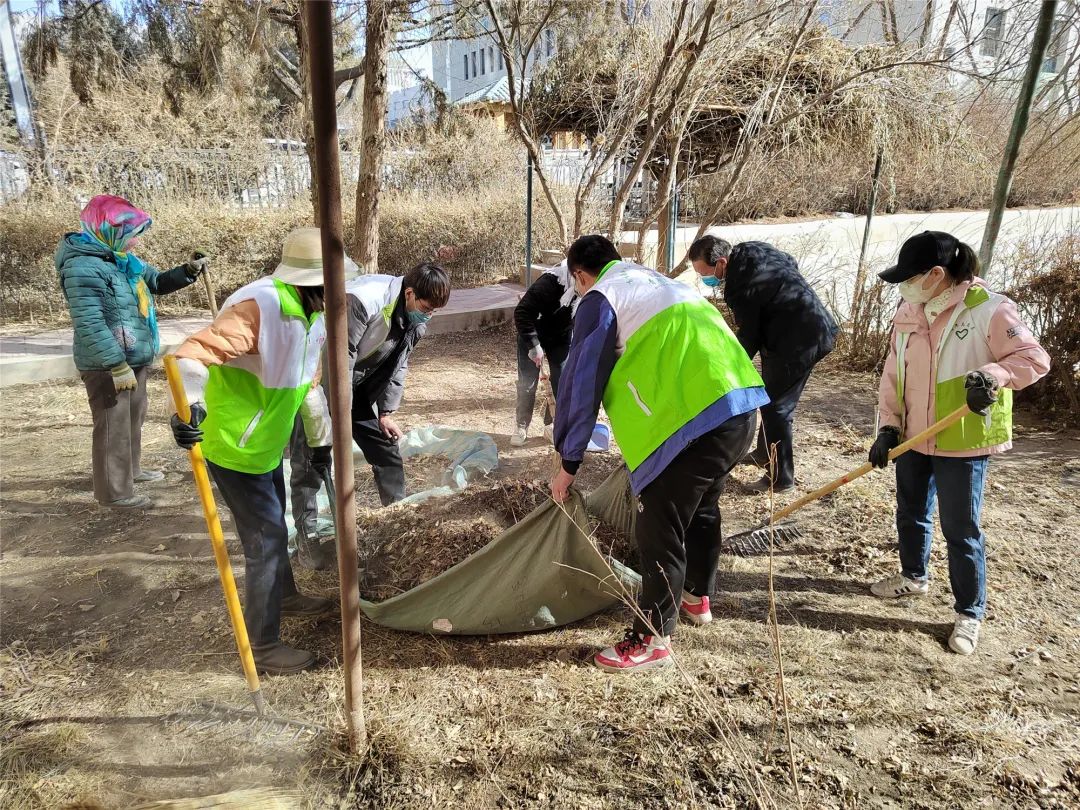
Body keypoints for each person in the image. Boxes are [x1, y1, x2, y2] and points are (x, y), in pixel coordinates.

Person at [551, 235, 769, 674]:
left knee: (658, 527)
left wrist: (568, 462)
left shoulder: (601, 298)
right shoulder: (655, 283)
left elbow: (581, 382)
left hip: (691, 422)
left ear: (580, 275)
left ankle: (651, 638)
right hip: (740, 407)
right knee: (703, 507)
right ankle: (696, 597)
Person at [169, 227, 357, 675]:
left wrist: (320, 444)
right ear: (314, 282)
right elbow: (190, 355)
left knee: (276, 530)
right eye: (335, 285)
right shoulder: (260, 308)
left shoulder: (311, 315)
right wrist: (187, 405)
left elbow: (307, 387)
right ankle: (263, 645)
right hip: (235, 447)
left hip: (266, 445)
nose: (342, 295)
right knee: (265, 541)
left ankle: (284, 597)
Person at [868, 231, 1049, 655]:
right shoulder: (909, 311)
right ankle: (913, 577)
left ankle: (969, 612)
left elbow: (1033, 358)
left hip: (962, 440)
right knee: (911, 511)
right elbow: (893, 374)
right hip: (913, 436)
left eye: (910, 277)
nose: (904, 286)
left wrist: (992, 376)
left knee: (961, 529)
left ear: (936, 274)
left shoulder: (989, 309)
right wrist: (888, 427)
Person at [288, 262, 451, 569]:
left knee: (386, 451)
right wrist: (337, 416)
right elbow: (340, 356)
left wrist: (386, 412)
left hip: (353, 386)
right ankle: (307, 539)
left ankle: (398, 522)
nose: (429, 316)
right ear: (410, 293)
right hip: (316, 382)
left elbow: (399, 364)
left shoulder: (415, 319)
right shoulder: (364, 300)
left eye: (434, 311)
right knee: (311, 461)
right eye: (427, 308)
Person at [57, 194, 207, 510]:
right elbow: (89, 322)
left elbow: (157, 282)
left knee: (132, 419)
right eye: (130, 235)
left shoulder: (123, 260)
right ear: (107, 230)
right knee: (112, 427)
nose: (135, 242)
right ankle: (114, 493)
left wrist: (188, 270)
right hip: (106, 364)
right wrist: (115, 364)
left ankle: (131, 471)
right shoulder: (82, 267)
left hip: (133, 356)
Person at [689, 236, 838, 493]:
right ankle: (763, 453)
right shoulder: (753, 249)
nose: (705, 279)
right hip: (800, 330)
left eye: (705, 274)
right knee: (769, 396)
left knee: (777, 408)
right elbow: (790, 261)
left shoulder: (741, 288)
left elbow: (749, 336)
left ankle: (781, 478)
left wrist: (729, 368)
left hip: (800, 342)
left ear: (721, 262)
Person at [511, 260, 576, 447]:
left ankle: (552, 425)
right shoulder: (550, 282)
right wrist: (533, 345)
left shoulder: (589, 287)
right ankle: (521, 425)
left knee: (561, 381)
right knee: (527, 383)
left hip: (561, 337)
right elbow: (521, 312)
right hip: (533, 333)